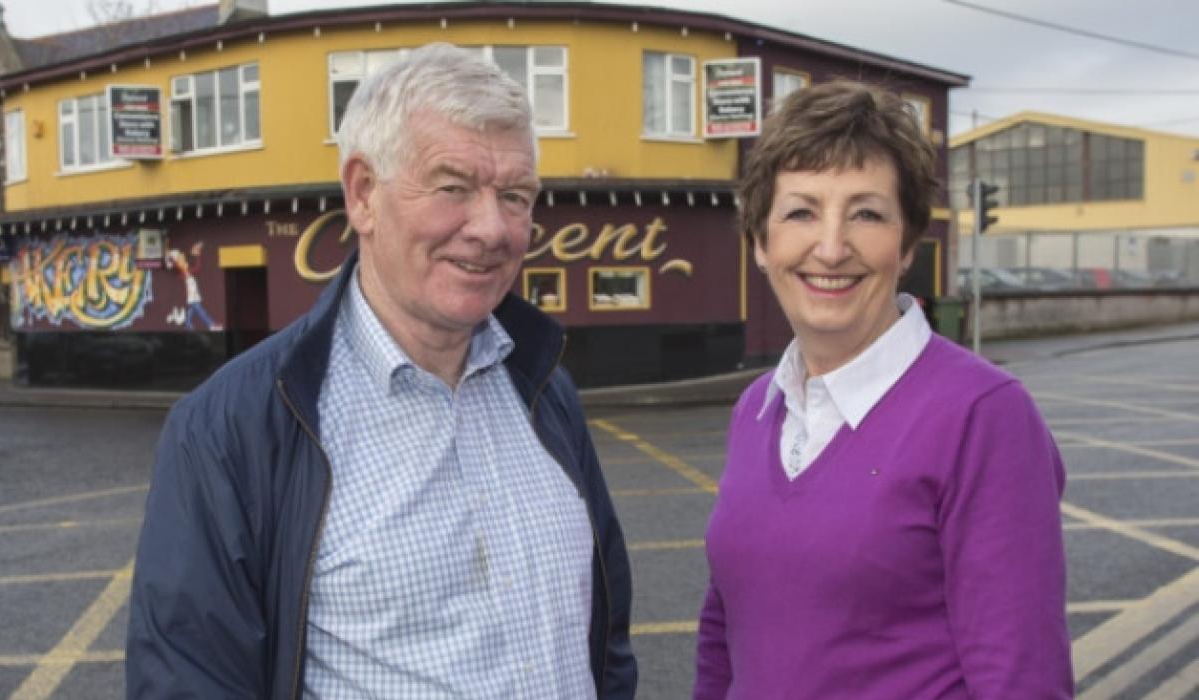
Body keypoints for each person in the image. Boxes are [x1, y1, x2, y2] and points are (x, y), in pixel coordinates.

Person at [127, 43, 636, 699]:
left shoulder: (546, 389)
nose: (491, 228)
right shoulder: (228, 429)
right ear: (363, 194)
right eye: (453, 187)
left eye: (516, 196)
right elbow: (188, 683)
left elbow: (605, 641)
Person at [693, 81, 1073, 699]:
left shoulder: (983, 416)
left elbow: (1022, 680)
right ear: (760, 243)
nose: (832, 247)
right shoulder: (757, 407)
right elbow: (725, 629)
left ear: (907, 244)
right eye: (800, 211)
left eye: (866, 213)